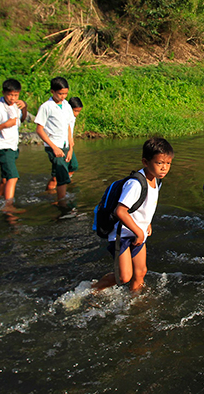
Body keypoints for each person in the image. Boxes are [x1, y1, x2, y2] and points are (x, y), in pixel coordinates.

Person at [92, 137, 174, 292]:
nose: (164, 168)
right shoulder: (135, 184)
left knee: (141, 272)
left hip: (138, 233)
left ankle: (135, 303)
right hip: (121, 234)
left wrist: (146, 223)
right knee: (123, 277)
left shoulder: (157, 181)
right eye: (159, 163)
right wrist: (137, 231)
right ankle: (95, 288)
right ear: (145, 162)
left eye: (168, 163)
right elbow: (120, 211)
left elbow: (145, 206)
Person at [0, 78, 28, 210]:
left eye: (16, 95)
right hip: (2, 147)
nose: (13, 98)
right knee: (13, 177)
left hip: (12, 146)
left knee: (5, 178)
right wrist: (5, 125)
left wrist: (24, 108)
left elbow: (22, 119)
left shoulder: (15, 106)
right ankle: (8, 205)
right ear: (3, 93)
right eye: (10, 95)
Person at [34, 77, 75, 204]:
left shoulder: (67, 105)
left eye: (65, 93)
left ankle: (52, 190)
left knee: (73, 165)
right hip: (54, 145)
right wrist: (54, 147)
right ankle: (61, 201)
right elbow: (39, 129)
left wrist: (71, 145)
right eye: (60, 94)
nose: (63, 96)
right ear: (52, 91)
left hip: (65, 144)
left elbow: (68, 125)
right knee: (62, 174)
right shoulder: (46, 107)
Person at [46, 96, 83, 191]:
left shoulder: (71, 117)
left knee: (73, 166)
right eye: (75, 111)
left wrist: (71, 146)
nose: (76, 114)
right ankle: (50, 191)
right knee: (56, 176)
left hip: (67, 146)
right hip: (58, 145)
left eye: (79, 111)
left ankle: (65, 180)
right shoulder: (62, 115)